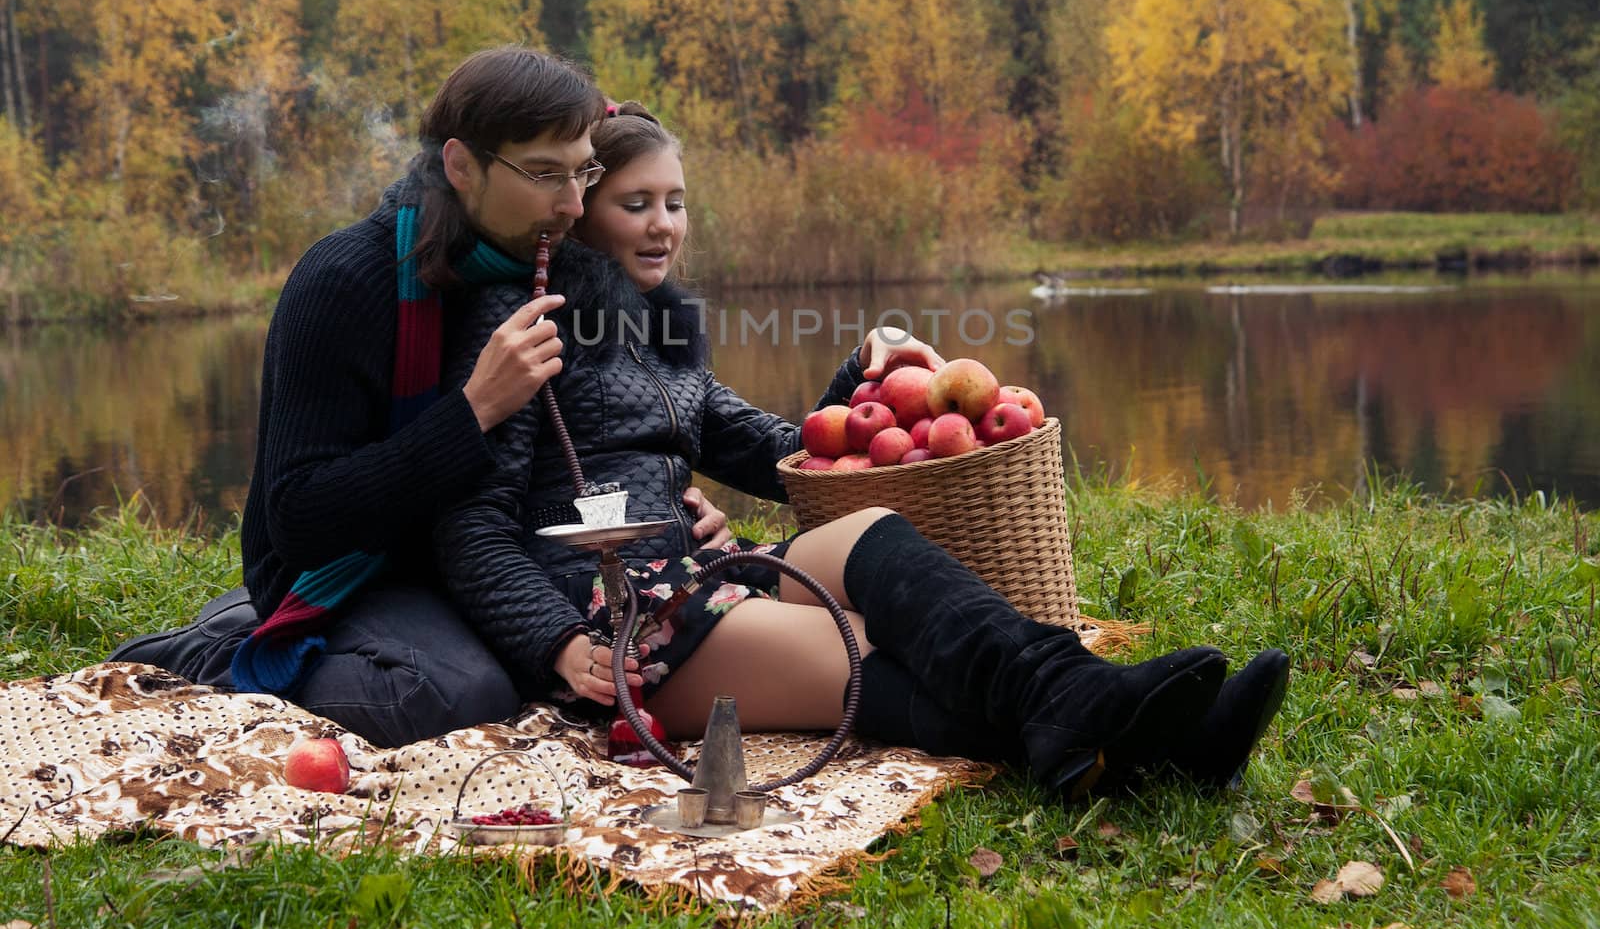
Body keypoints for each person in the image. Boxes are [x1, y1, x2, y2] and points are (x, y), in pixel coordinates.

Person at [434, 103, 1291, 797]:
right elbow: (470, 523)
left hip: (695, 582)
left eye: (677, 201)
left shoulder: (666, 331)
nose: (664, 227)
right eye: (636, 204)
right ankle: (1147, 749)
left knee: (872, 530)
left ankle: (1110, 720)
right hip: (616, 626)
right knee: (877, 653)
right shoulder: (524, 327)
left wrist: (860, 377)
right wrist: (555, 641)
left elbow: (777, 448)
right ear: (579, 211)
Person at [111, 49, 728, 748]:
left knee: (546, 662)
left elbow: (611, 422)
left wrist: (667, 502)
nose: (574, 204)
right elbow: (298, 519)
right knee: (455, 696)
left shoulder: (537, 270)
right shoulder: (345, 278)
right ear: (462, 166)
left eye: (582, 171)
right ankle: (220, 649)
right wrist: (472, 413)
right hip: (357, 568)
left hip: (478, 559)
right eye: (546, 175)